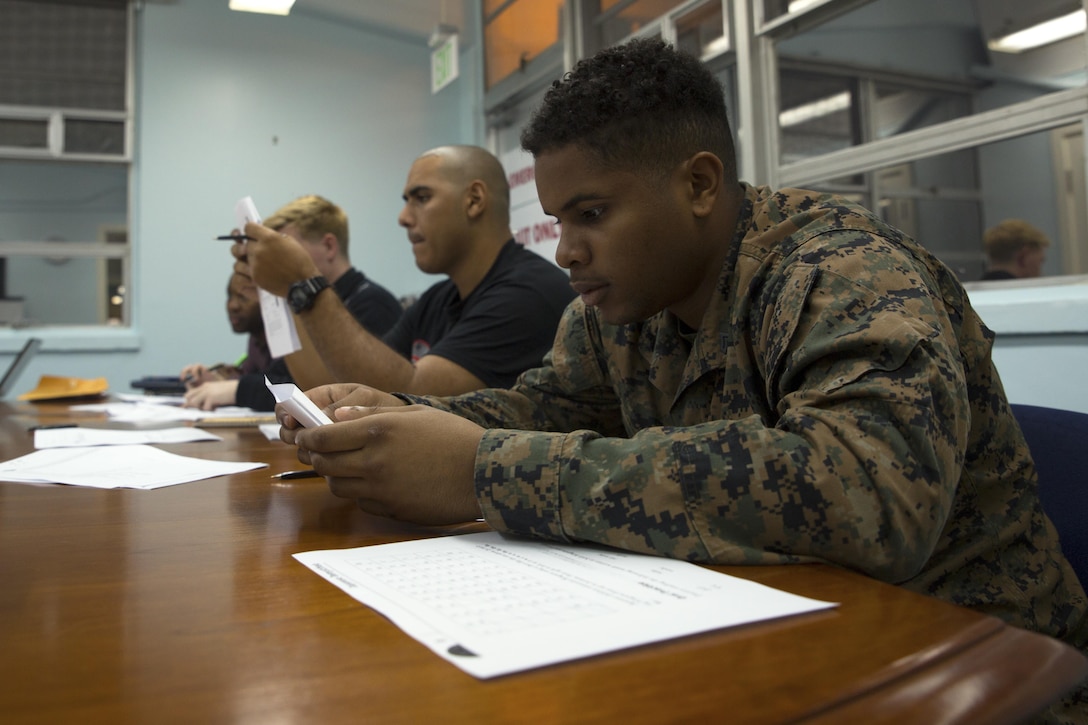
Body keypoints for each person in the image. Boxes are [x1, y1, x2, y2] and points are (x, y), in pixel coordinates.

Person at [277, 39, 1087, 720]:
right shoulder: (621, 306)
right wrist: (399, 416)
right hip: (778, 644)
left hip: (973, 670)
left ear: (700, 184)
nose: (565, 251)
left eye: (592, 214)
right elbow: (544, 405)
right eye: (559, 221)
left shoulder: (840, 271)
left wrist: (482, 468)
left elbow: (866, 494)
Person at [235, 145, 575, 396]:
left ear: (474, 200)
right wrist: (280, 289)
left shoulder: (526, 294)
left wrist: (302, 284)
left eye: (421, 198)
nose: (403, 217)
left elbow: (412, 397)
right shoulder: (437, 300)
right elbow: (337, 388)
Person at [185, 194, 402, 410]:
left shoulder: (373, 305)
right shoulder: (302, 305)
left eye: (285, 249)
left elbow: (341, 394)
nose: (273, 258)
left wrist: (236, 389)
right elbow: (281, 375)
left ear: (329, 246)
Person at [179, 271, 269, 389]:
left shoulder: (286, 346)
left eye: (243, 298)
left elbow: (279, 385)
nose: (232, 306)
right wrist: (212, 378)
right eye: (229, 296)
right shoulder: (255, 340)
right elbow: (249, 378)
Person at [981, 218, 1051, 280]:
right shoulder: (1025, 293)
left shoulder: (973, 291)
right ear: (1022, 257)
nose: (1041, 273)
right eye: (1040, 262)